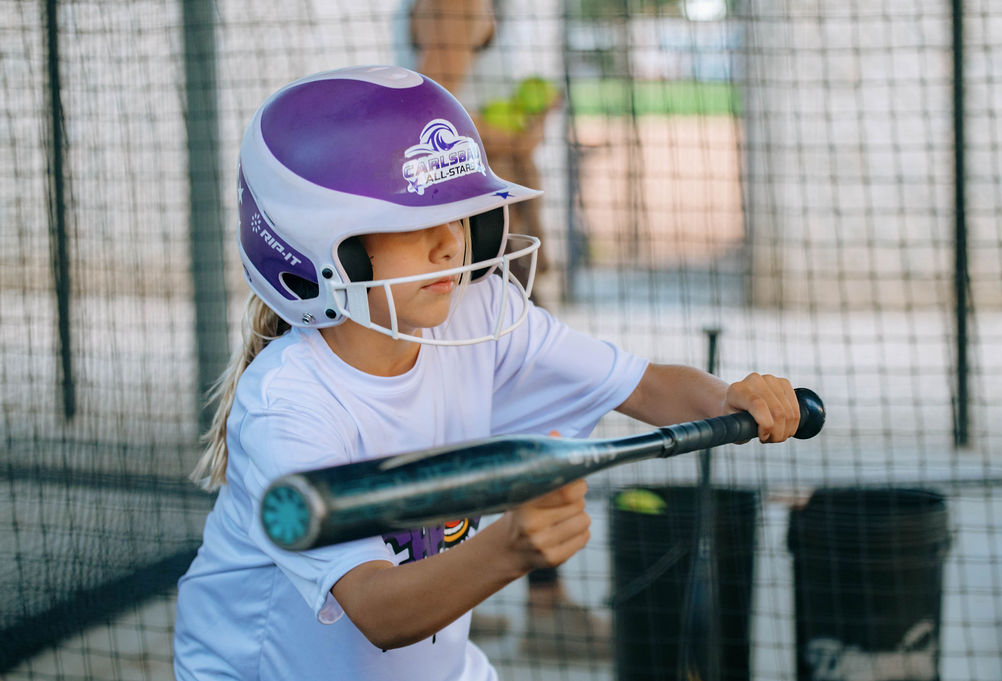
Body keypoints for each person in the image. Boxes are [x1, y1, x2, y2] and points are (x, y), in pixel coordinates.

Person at [173, 65, 801, 681]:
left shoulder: (474, 311)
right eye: (413, 224)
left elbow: (645, 385)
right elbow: (376, 610)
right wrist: (508, 549)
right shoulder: (287, 406)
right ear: (320, 247)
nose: (452, 243)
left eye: (459, 214)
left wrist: (730, 398)